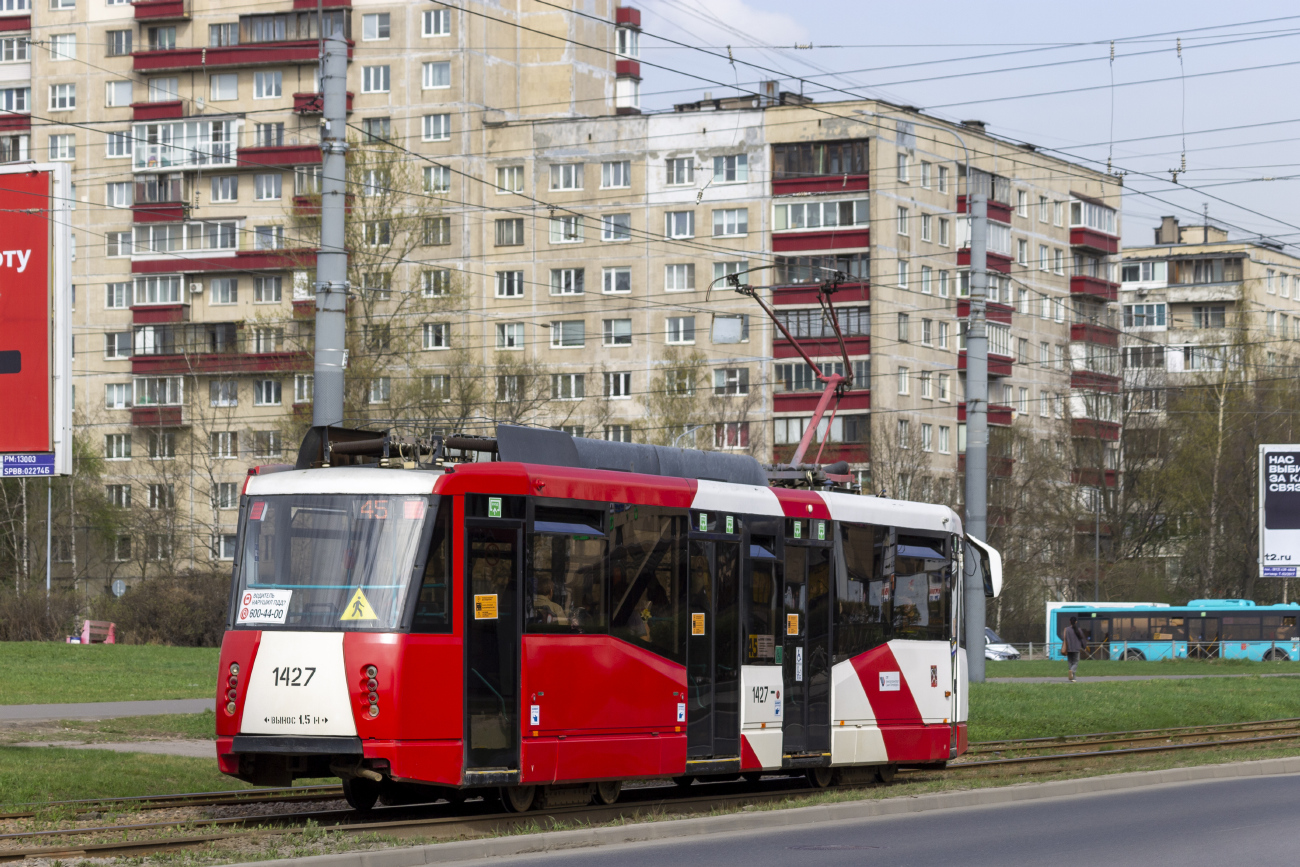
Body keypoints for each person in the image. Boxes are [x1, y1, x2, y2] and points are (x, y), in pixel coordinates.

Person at [1062, 616, 1087, 682]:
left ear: (1070, 622)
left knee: (1070, 662)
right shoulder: (1078, 630)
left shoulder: (1066, 629)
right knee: (1075, 662)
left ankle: (1073, 678)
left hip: (1069, 648)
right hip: (1076, 648)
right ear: (1076, 622)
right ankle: (1072, 671)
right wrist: (1084, 646)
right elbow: (1082, 639)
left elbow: (1064, 638)